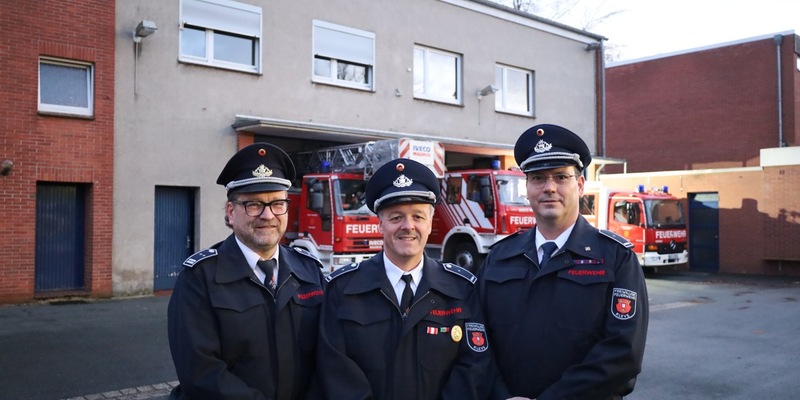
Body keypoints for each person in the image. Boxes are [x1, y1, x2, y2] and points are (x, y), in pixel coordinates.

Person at [478, 124, 649, 400]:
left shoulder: (616, 258)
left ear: (579, 186)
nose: (549, 188)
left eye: (560, 177)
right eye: (538, 178)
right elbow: (477, 340)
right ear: (527, 188)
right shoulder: (499, 257)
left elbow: (622, 352)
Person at [317, 159, 493, 400]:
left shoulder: (462, 289)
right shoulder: (343, 289)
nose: (408, 226)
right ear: (380, 224)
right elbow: (335, 371)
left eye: (418, 217)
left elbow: (474, 366)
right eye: (396, 217)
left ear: (430, 223)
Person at [167, 143, 325, 400]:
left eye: (277, 203)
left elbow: (329, 356)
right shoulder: (199, 278)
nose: (267, 215)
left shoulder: (310, 271)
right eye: (253, 204)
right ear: (231, 212)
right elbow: (200, 372)